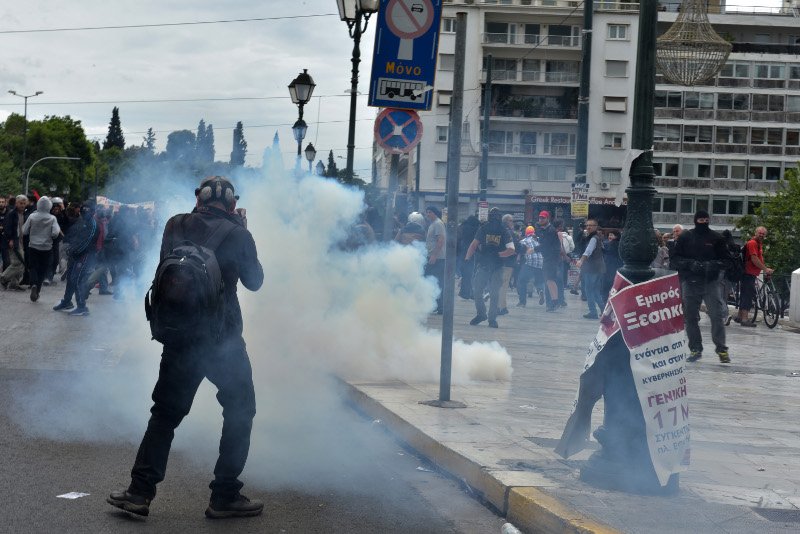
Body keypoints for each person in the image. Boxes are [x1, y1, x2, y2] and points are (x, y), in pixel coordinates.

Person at [108, 176, 264, 519]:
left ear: (199, 198)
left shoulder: (175, 224)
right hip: (222, 342)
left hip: (178, 335)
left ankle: (138, 492)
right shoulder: (238, 233)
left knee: (165, 414)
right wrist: (241, 232)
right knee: (240, 409)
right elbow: (255, 282)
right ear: (233, 204)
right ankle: (225, 494)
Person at [671, 210, 731, 363]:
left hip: (710, 282)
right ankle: (695, 348)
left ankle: (721, 348)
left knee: (717, 315)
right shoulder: (686, 236)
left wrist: (712, 265)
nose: (703, 222)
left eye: (706, 219)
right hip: (690, 281)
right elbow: (675, 258)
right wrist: (690, 264)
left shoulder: (717, 238)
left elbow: (727, 260)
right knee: (690, 317)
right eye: (700, 219)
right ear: (695, 220)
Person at [465, 207, 515, 328]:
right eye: (493, 216)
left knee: (492, 293)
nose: (494, 218)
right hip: (486, 265)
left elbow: (512, 250)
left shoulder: (502, 231)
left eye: (495, 216)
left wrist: (498, 255)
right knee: (479, 291)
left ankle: (491, 318)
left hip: (496, 266)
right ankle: (482, 315)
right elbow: (474, 244)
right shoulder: (485, 229)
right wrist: (467, 258)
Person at [53, 202, 100, 316]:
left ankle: (82, 306)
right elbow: (75, 236)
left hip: (85, 255)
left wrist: (76, 251)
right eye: (83, 211)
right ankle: (67, 301)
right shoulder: (82, 221)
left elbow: (88, 241)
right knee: (70, 278)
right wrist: (70, 248)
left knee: (77, 279)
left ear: (93, 212)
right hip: (75, 255)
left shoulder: (93, 224)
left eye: (87, 211)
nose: (84, 213)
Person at [22, 196, 61, 302]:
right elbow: (55, 233)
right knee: (42, 270)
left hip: (33, 246)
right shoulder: (52, 218)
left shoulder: (32, 216)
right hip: (46, 248)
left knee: (33, 267)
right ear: (49, 206)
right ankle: (37, 290)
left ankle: (33, 284)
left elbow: (24, 230)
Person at [734, 226, 773, 327]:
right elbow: (754, 259)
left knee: (745, 294)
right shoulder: (752, 243)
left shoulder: (758, 244)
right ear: (755, 233)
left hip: (751, 272)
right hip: (748, 272)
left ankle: (739, 316)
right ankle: (745, 319)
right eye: (760, 233)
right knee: (747, 295)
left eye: (763, 234)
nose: (761, 235)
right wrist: (765, 269)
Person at [575, 219, 606, 319]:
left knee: (589, 290)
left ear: (596, 227)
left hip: (591, 268)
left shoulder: (593, 238)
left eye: (591, 225)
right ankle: (604, 310)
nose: (588, 227)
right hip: (599, 267)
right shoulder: (598, 237)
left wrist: (581, 261)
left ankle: (593, 312)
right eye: (587, 225)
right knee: (596, 290)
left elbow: (588, 251)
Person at [0, 195, 29, 291]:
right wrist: (10, 240)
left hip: (20, 241)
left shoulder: (23, 213)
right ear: (16, 203)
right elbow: (7, 228)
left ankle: (14, 283)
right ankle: (3, 278)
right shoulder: (12, 214)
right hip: (13, 242)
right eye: (21, 203)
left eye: (24, 203)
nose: (22, 205)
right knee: (18, 263)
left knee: (20, 263)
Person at [536, 210, 561, 312]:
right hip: (549, 258)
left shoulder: (550, 230)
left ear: (548, 219)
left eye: (543, 218)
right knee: (549, 280)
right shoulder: (544, 230)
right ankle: (553, 302)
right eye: (540, 217)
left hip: (551, 258)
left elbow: (545, 245)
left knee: (550, 280)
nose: (541, 219)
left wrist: (533, 249)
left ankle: (555, 302)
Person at [424, 206, 446, 314]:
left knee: (437, 282)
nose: (428, 214)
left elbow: (440, 241)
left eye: (430, 212)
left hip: (438, 258)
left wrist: (434, 255)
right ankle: (436, 305)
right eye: (427, 212)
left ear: (435, 213)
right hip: (433, 256)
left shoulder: (438, 224)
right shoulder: (433, 224)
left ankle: (440, 307)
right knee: (433, 282)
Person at [515, 226, 543, 307]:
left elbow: (521, 252)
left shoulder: (523, 241)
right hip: (540, 262)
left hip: (530, 262)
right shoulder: (537, 240)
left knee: (522, 281)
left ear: (526, 233)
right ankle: (540, 290)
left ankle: (522, 302)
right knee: (539, 281)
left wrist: (517, 260)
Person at [497, 214, 519, 316]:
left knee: (500, 285)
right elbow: (515, 247)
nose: (512, 223)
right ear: (506, 221)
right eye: (511, 221)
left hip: (499, 261)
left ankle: (501, 306)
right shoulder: (509, 233)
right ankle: (500, 307)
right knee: (503, 286)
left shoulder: (499, 230)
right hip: (508, 262)